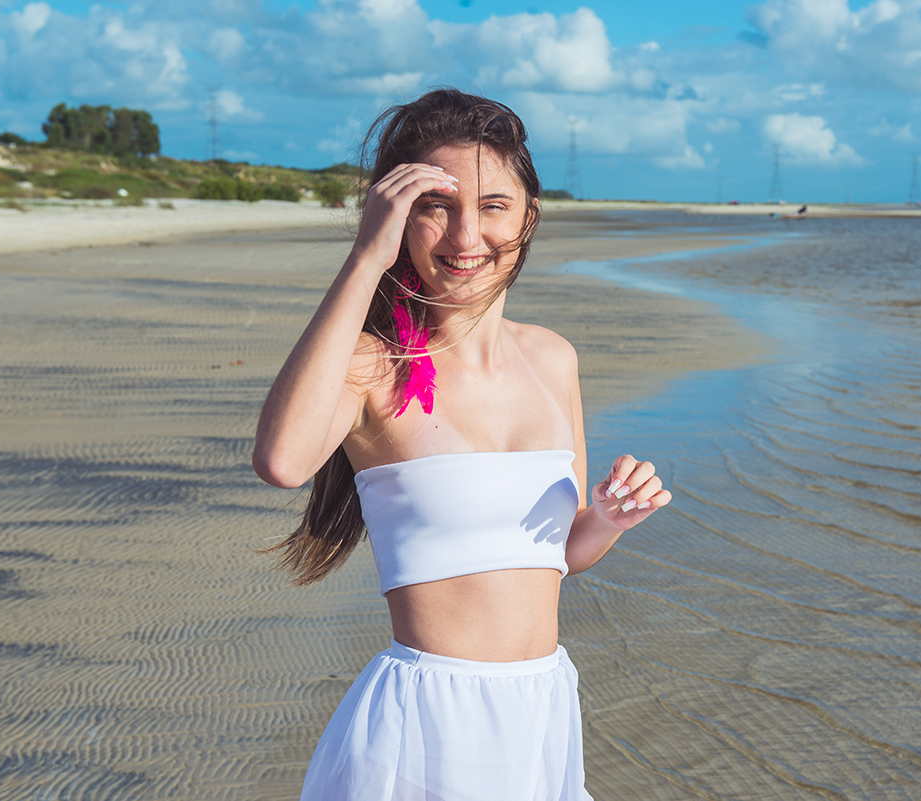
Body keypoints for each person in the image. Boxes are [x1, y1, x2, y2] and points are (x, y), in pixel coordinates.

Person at [253, 89, 671, 801]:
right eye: (435, 205)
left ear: (529, 215)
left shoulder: (552, 358)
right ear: (398, 219)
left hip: (542, 710)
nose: (464, 235)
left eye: (493, 206)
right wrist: (364, 256)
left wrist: (607, 517)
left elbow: (556, 555)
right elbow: (283, 462)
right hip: (427, 721)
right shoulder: (371, 367)